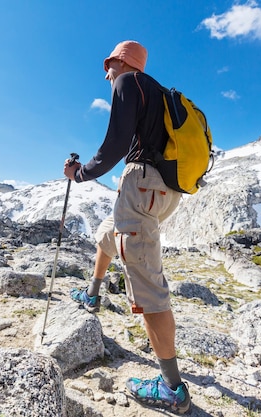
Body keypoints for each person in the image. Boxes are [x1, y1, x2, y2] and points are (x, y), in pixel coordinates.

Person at [63, 40, 191, 415]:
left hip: (142, 185)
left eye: (109, 65)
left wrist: (80, 173)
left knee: (147, 283)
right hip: (163, 191)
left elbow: (115, 143)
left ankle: (173, 389)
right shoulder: (159, 93)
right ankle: (92, 294)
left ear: (122, 61)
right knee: (108, 234)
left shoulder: (127, 83)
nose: (106, 74)